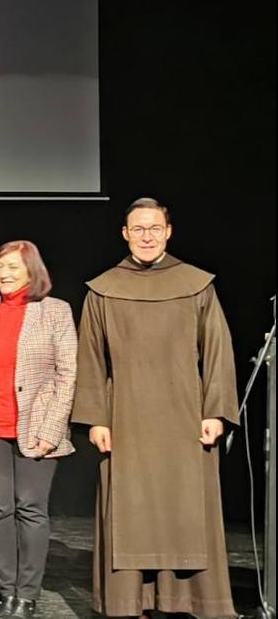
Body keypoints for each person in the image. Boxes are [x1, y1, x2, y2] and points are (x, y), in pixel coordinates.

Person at [72, 198, 239, 619]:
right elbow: (90, 358)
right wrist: (95, 419)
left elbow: (218, 352)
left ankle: (189, 600)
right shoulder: (103, 289)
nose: (146, 236)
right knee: (130, 510)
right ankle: (131, 602)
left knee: (186, 508)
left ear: (168, 231)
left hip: (186, 418)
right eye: (138, 229)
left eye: (154, 228)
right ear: (125, 234)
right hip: (126, 418)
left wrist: (215, 412)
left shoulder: (197, 284)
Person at [0, 241, 77, 619]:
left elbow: (67, 374)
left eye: (13, 267)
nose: (4, 274)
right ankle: (7, 591)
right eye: (0, 266)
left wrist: (53, 429)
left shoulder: (54, 311)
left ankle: (28, 592)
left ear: (31, 272)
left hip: (37, 427)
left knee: (31, 508)